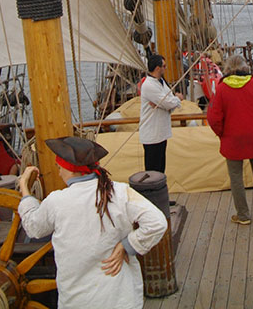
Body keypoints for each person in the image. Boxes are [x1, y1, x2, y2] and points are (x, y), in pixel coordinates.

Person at [18, 136, 167, 309]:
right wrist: (127, 245)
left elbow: (33, 227)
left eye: (60, 168)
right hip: (120, 298)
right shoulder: (119, 192)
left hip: (78, 300)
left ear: (69, 170)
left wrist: (24, 188)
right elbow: (157, 222)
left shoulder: (56, 201)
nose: (58, 173)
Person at [207, 54, 253, 225]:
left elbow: (214, 117)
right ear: (245, 67)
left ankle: (243, 215)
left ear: (227, 69)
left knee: (236, 177)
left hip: (232, 139)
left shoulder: (221, 89)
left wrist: (222, 133)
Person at [139, 54, 183, 173]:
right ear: (158, 68)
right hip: (152, 135)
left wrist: (168, 103)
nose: (166, 68)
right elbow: (169, 103)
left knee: (160, 168)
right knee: (152, 171)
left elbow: (169, 102)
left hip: (161, 134)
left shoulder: (161, 83)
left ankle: (159, 190)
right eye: (164, 66)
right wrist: (176, 99)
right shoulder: (149, 85)